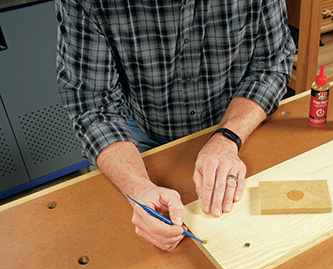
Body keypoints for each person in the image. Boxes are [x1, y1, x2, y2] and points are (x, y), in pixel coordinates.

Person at [55, 0, 295, 251]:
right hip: (141, 136)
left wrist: (226, 138)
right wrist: (138, 187)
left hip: (238, 126)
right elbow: (92, 104)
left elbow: (271, 66)